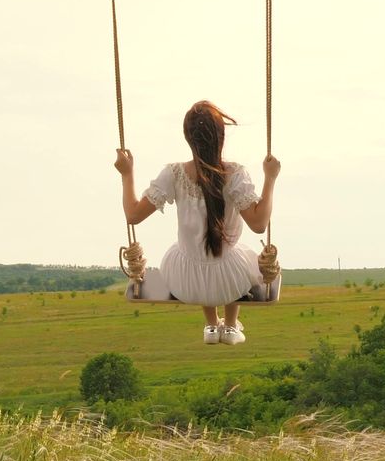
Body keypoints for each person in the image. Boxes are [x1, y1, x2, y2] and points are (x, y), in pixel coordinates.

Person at [113, 100, 280, 345]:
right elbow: (259, 224)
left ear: (188, 138)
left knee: (197, 252)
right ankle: (231, 326)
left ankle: (212, 325)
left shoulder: (173, 174)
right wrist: (270, 179)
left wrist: (127, 174)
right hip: (229, 281)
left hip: (184, 280)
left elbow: (133, 215)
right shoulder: (235, 175)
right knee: (237, 256)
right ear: (220, 136)